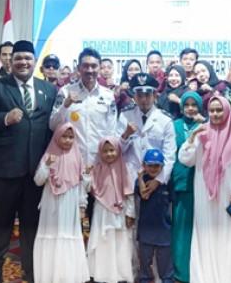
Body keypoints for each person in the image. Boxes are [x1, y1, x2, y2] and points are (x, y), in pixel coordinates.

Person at [0, 40, 58, 283]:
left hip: (35, 174)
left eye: (28, 58)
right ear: (10, 61)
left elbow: (53, 127)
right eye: (18, 58)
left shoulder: (48, 89)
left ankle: (31, 271)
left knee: (32, 226)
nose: (23, 62)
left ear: (35, 62)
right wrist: (4, 119)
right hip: (3, 171)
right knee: (0, 224)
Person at [177, 96, 231, 283]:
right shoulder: (202, 133)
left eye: (219, 110)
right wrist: (192, 137)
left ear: (227, 111)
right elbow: (186, 160)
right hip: (204, 192)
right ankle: (204, 277)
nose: (215, 114)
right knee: (204, 233)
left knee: (227, 234)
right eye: (212, 110)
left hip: (227, 193)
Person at [32, 123, 90, 283]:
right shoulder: (49, 154)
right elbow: (38, 180)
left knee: (67, 235)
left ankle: (68, 276)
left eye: (71, 137)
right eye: (64, 136)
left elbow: (82, 185)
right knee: (51, 234)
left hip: (69, 203)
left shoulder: (77, 157)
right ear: (57, 136)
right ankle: (49, 276)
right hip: (51, 202)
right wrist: (47, 165)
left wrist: (82, 205)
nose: (67, 140)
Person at [51, 47, 120, 166]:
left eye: (94, 66)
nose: (90, 70)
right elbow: (52, 125)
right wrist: (65, 106)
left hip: (99, 162)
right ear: (78, 68)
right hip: (70, 160)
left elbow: (111, 132)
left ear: (99, 68)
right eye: (85, 66)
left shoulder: (108, 96)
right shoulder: (65, 92)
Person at [87, 137, 136, 283]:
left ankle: (120, 274)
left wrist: (130, 212)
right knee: (103, 240)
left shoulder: (123, 168)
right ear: (100, 152)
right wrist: (86, 175)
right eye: (105, 151)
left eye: (112, 150)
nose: (109, 154)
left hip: (120, 210)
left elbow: (129, 193)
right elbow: (89, 187)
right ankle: (103, 273)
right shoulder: (97, 168)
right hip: (102, 210)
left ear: (118, 150)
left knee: (120, 241)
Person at [119, 73, 177, 188]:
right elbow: (118, 150)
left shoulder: (165, 120)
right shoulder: (125, 116)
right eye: (139, 95)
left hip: (156, 179)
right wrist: (126, 135)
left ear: (155, 95)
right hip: (130, 177)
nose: (143, 99)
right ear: (134, 96)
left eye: (147, 95)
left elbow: (169, 155)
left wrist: (158, 180)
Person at [170, 92, 204, 283]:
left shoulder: (206, 125)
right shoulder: (174, 125)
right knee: (181, 229)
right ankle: (181, 272)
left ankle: (199, 270)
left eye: (194, 104)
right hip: (181, 183)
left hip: (202, 184)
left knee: (198, 229)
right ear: (181, 107)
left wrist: (204, 123)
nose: (190, 108)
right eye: (187, 105)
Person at [135, 149, 173, 283]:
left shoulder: (167, 182)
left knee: (165, 259)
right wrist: (140, 177)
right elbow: (144, 195)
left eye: (157, 165)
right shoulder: (141, 181)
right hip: (146, 228)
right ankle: (145, 278)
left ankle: (167, 278)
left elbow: (172, 199)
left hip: (164, 227)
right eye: (150, 165)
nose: (153, 168)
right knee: (145, 258)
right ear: (144, 165)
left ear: (162, 167)